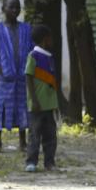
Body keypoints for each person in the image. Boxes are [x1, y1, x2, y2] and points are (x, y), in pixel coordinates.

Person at [0, 0, 32, 152]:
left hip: (21, 75)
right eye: (11, 7)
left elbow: (32, 49)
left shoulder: (26, 28)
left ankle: (23, 142)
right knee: (1, 107)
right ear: (3, 9)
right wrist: (0, 67)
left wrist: (29, 67)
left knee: (22, 106)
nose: (15, 10)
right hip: (5, 77)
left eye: (17, 7)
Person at [24, 25, 61, 173]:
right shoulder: (33, 56)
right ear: (45, 40)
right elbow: (28, 76)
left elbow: (51, 83)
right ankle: (31, 162)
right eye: (50, 38)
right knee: (34, 134)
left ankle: (49, 162)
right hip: (37, 106)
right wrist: (34, 100)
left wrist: (55, 103)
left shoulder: (50, 57)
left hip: (49, 105)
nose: (52, 41)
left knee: (50, 135)